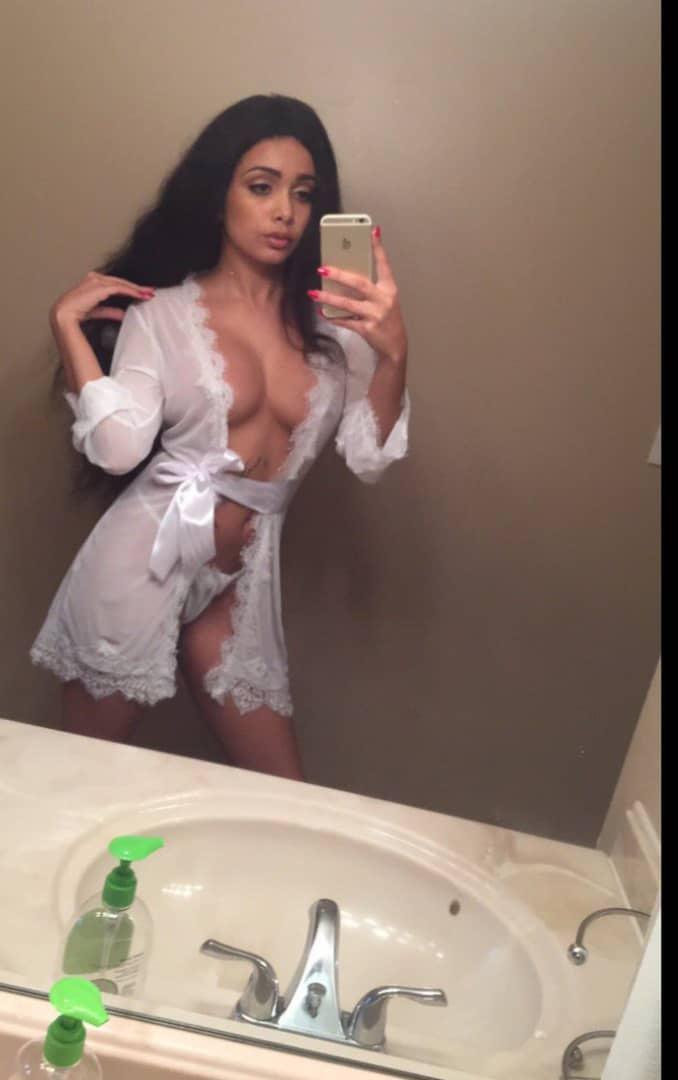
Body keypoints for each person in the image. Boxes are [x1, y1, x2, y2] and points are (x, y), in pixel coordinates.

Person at [31, 94, 409, 781]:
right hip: (140, 563)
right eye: (261, 187)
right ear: (218, 196)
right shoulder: (163, 315)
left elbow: (368, 456)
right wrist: (68, 329)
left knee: (283, 790)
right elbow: (118, 449)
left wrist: (393, 355)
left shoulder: (334, 329)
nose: (284, 212)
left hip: (240, 583)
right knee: (80, 779)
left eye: (303, 193)